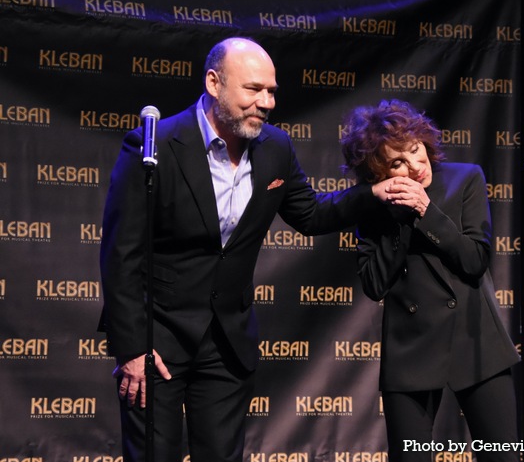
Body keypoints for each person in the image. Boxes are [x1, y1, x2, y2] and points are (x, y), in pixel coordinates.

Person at [98, 37, 404, 462]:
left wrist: (372, 194)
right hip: (158, 337)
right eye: (253, 89)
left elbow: (311, 215)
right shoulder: (154, 145)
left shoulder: (276, 147)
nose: (266, 102)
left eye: (272, 91)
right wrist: (130, 349)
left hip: (228, 340)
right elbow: (120, 254)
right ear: (213, 82)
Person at [340, 99, 521, 462]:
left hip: (476, 340)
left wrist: (426, 211)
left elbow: (475, 261)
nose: (414, 166)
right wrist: (400, 219)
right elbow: (374, 283)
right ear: (379, 173)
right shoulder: (374, 205)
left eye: (415, 150)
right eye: (397, 163)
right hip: (411, 349)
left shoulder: (465, 177)